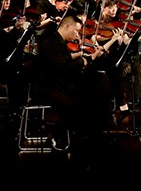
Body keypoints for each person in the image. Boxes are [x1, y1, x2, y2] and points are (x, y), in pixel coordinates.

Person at [33, 13, 111, 152]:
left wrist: (84, 59)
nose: (77, 35)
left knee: (94, 88)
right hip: (48, 87)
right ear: (67, 26)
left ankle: (91, 132)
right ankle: (62, 134)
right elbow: (62, 67)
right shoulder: (50, 42)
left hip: (60, 83)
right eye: (76, 31)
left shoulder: (59, 42)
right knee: (81, 100)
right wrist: (81, 61)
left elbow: (66, 63)